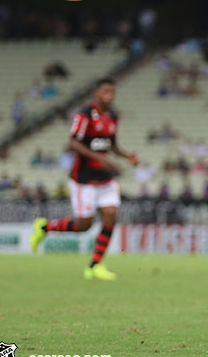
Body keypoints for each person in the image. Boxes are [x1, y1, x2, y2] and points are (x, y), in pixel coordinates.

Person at [30, 78, 139, 280]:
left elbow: (111, 144)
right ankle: (44, 227)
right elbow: (73, 143)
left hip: (105, 179)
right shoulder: (84, 115)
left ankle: (95, 265)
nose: (110, 96)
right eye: (106, 91)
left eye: (112, 92)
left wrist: (126, 156)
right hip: (84, 179)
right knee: (84, 225)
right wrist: (100, 158)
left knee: (110, 215)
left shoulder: (113, 116)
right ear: (96, 93)